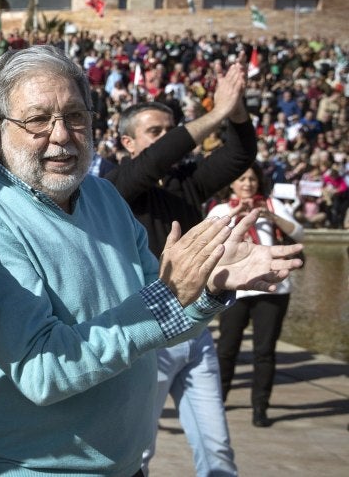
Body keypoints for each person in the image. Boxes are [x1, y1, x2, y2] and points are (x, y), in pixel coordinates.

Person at [0, 45, 302, 477]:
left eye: (75, 116)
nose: (61, 134)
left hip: (126, 466)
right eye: (38, 120)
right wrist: (168, 297)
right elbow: (44, 370)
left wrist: (210, 286)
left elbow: (162, 324)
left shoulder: (102, 196)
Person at [105, 61, 255, 477]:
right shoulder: (113, 187)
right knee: (138, 453)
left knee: (217, 447)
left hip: (197, 330)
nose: (170, 139)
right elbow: (152, 163)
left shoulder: (186, 184)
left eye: (172, 128)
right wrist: (215, 115)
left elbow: (241, 154)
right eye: (156, 131)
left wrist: (236, 110)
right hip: (148, 334)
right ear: (127, 142)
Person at [208, 163, 304, 428]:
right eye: (242, 179)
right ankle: (218, 400)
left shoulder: (272, 205)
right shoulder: (221, 209)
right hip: (234, 290)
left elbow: (299, 233)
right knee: (227, 349)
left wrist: (271, 217)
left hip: (273, 289)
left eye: (252, 179)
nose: (248, 184)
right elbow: (206, 240)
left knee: (265, 351)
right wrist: (235, 215)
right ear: (233, 183)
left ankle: (260, 407)